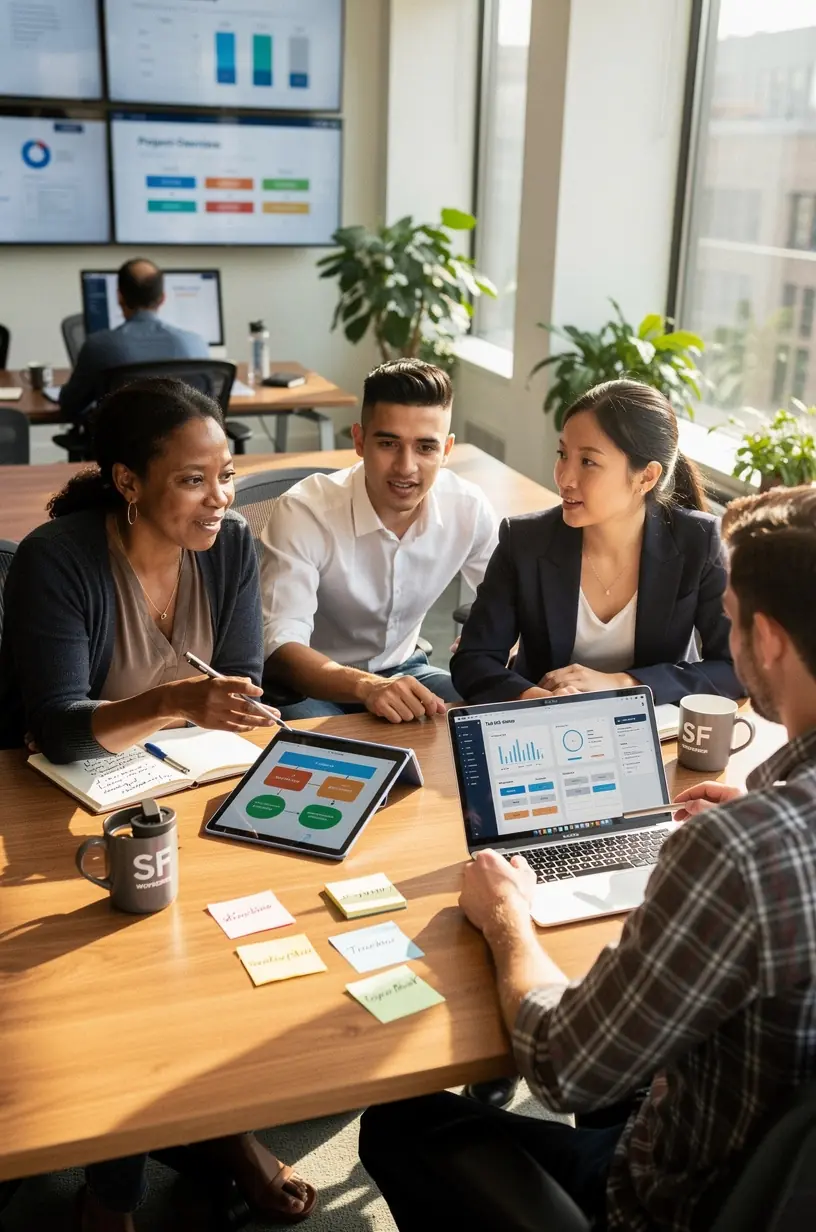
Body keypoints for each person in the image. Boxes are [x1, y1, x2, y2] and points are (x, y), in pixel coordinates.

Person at [360, 484, 816, 1232]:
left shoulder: (737, 854)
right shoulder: (759, 837)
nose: (725, 638)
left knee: (399, 1122)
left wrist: (509, 918)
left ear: (767, 641)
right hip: (781, 1186)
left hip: (670, 1206)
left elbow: (564, 1065)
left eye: (729, 623)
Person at [0, 379, 317, 1230]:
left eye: (227, 474)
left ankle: (219, 1125)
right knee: (129, 979)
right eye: (191, 480)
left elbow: (241, 681)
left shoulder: (234, 545)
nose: (220, 498)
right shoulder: (58, 558)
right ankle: (117, 1188)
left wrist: (225, 716)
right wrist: (175, 704)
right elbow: (59, 732)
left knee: (245, 934)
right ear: (129, 482)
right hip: (60, 802)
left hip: (183, 778)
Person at [451, 379, 742, 706]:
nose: (564, 478)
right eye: (562, 454)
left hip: (656, 735)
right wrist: (545, 701)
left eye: (588, 462)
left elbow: (736, 669)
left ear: (646, 477)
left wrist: (622, 683)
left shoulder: (700, 543)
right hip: (548, 730)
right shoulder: (524, 541)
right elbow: (473, 660)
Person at [260, 358, 499, 721]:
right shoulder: (304, 511)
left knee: (485, 718)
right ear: (359, 440)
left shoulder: (467, 507)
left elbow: (514, 603)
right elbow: (281, 645)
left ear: (447, 451)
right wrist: (365, 686)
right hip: (307, 686)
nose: (406, 467)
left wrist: (495, 638)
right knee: (338, 757)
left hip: (405, 671)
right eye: (389, 443)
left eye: (425, 448)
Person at [58, 258, 208, 424]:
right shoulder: (196, 344)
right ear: (162, 298)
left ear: (119, 296)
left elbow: (70, 406)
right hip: (182, 448)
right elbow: (206, 408)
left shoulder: (98, 346)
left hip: (122, 448)